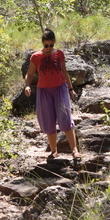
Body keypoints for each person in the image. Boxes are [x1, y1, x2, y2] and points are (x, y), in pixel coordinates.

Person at [24, 28, 81, 160]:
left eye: (51, 45)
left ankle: (74, 150)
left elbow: (64, 72)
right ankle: (54, 151)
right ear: (42, 43)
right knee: (48, 120)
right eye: (46, 45)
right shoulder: (36, 56)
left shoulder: (59, 54)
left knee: (65, 119)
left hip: (60, 89)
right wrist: (27, 85)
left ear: (54, 42)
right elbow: (30, 74)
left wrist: (71, 89)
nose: (49, 48)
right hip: (44, 91)